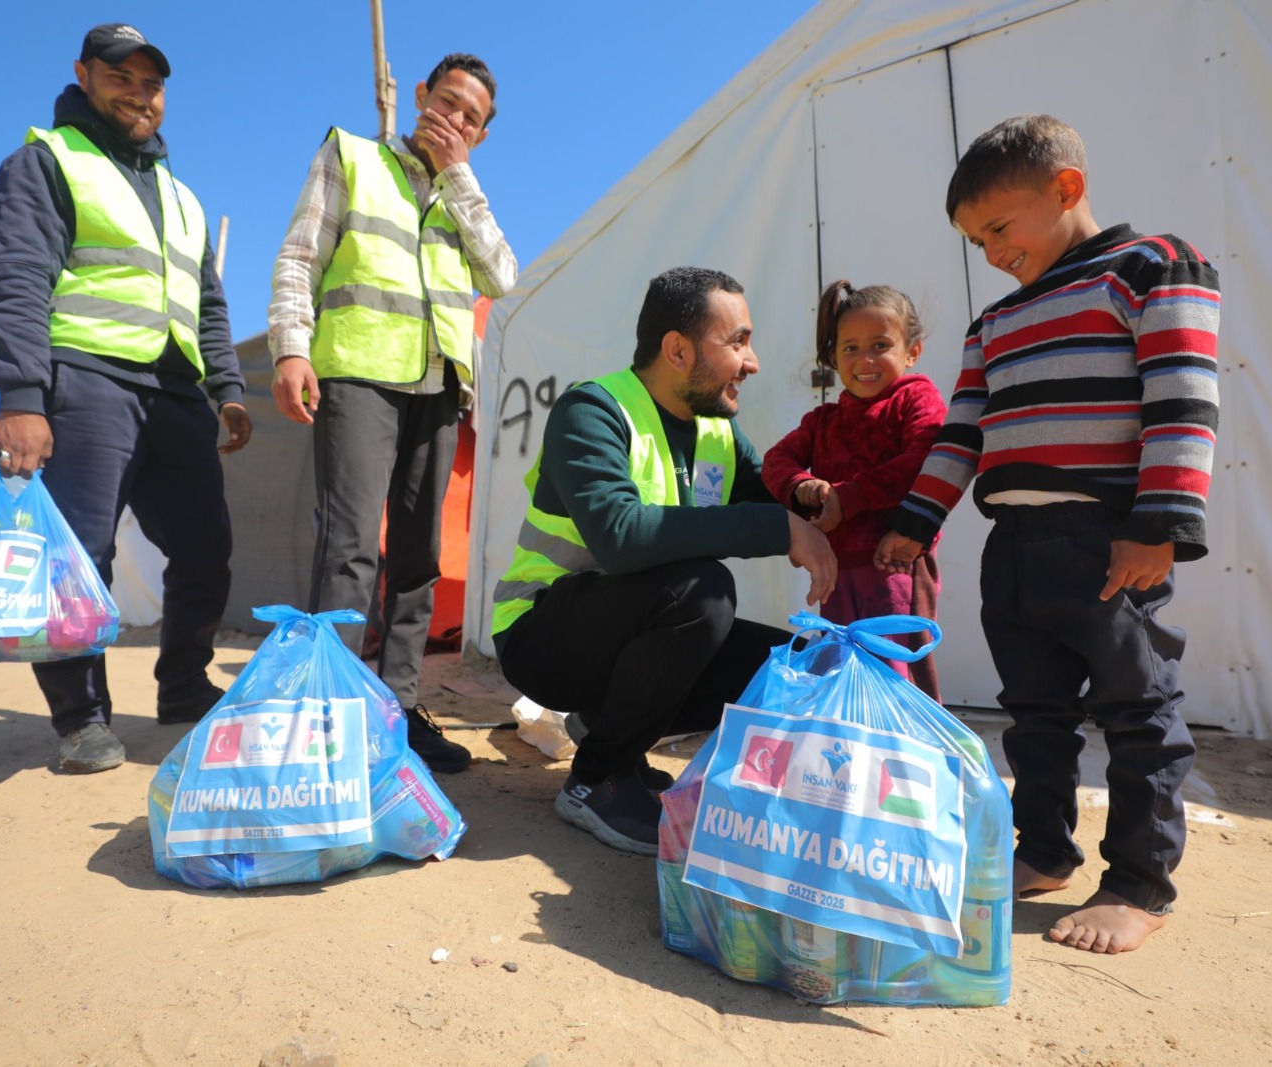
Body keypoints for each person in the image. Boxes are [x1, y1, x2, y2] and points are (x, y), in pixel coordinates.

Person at [875, 114, 1221, 953]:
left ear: (1067, 188)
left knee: (1139, 710)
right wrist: (915, 522)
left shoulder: (1151, 268)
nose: (991, 251)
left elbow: (1183, 398)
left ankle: (1140, 882)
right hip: (1015, 548)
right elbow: (961, 432)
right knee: (1032, 713)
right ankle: (1044, 850)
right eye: (975, 239)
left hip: (1108, 542)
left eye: (1000, 226)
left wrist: (1161, 526)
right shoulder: (992, 321)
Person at [492, 267, 838, 855]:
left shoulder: (718, 431)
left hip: (623, 630)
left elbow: (775, 505)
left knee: (795, 664)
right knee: (704, 595)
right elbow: (620, 537)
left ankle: (609, 733)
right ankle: (596, 779)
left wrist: (814, 497)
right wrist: (778, 526)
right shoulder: (592, 412)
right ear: (677, 349)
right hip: (541, 634)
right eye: (737, 342)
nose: (751, 362)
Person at [0, 23, 252, 775]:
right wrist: (22, 396)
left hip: (173, 391)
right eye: (120, 76)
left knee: (205, 547)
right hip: (86, 379)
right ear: (83, 74)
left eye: (151, 83)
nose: (138, 93)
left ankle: (183, 685)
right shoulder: (47, 163)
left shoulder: (181, 196)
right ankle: (82, 719)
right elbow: (17, 280)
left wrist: (226, 388)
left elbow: (211, 307)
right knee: (80, 556)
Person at [267, 53, 516, 775]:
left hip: (439, 386)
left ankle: (397, 711)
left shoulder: (463, 194)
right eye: (448, 102)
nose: (455, 120)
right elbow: (298, 257)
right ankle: (332, 718)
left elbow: (503, 275)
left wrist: (460, 175)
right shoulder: (351, 154)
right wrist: (290, 348)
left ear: (480, 135)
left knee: (417, 556)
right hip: (357, 373)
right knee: (350, 545)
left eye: (471, 118)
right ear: (419, 97)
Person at [762, 281, 947, 701]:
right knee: (841, 673)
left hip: (897, 568)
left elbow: (925, 459)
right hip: (836, 571)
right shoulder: (823, 419)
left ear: (911, 351)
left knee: (896, 674)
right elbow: (775, 463)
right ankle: (849, 759)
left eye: (880, 344)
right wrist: (802, 485)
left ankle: (907, 761)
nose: (864, 360)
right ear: (832, 357)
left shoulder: (916, 399)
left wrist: (849, 497)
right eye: (850, 348)